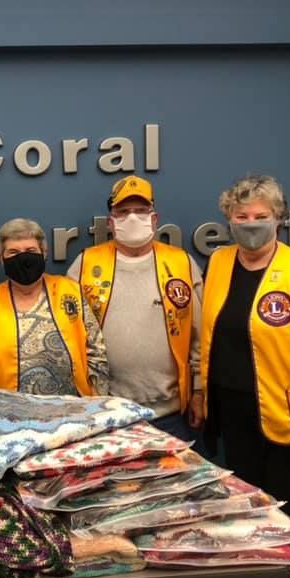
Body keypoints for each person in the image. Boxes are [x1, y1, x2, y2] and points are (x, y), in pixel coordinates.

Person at [202, 174, 290, 566]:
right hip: (235, 418)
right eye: (242, 215)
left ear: (278, 218)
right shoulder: (218, 262)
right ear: (229, 220)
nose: (251, 223)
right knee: (250, 519)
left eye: (260, 215)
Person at [67, 176, 204, 441]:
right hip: (107, 413)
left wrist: (198, 391)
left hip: (172, 413)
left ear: (154, 218)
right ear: (111, 221)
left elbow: (199, 337)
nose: (132, 218)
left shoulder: (181, 264)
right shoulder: (85, 265)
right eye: (123, 211)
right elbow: (69, 335)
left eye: (141, 211)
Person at [0, 218, 107, 396]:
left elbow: (97, 352)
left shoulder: (70, 292)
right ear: (1, 259)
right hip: (6, 415)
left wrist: (96, 403)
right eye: (13, 252)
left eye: (30, 250)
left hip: (72, 411)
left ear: (44, 252)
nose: (22, 258)